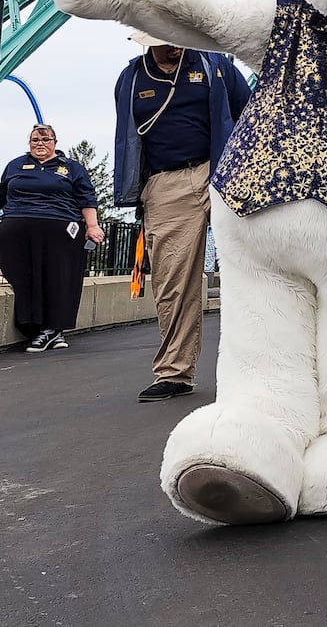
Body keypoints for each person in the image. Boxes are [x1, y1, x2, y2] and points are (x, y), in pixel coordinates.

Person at [113, 30, 250, 402]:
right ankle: (174, 372)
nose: (174, 44)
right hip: (166, 183)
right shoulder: (131, 78)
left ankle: (272, 367)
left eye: (177, 35)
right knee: (172, 282)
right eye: (163, 38)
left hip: (221, 170)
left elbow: (252, 112)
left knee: (262, 269)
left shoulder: (214, 64)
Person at [0, 124, 104, 351]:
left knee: (57, 278)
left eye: (45, 139)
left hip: (60, 230)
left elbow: (87, 197)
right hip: (17, 228)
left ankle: (50, 328)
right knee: (22, 277)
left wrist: (92, 226)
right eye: (35, 140)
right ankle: (36, 327)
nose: (40, 144)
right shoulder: (16, 165)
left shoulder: (72, 168)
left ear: (55, 143)